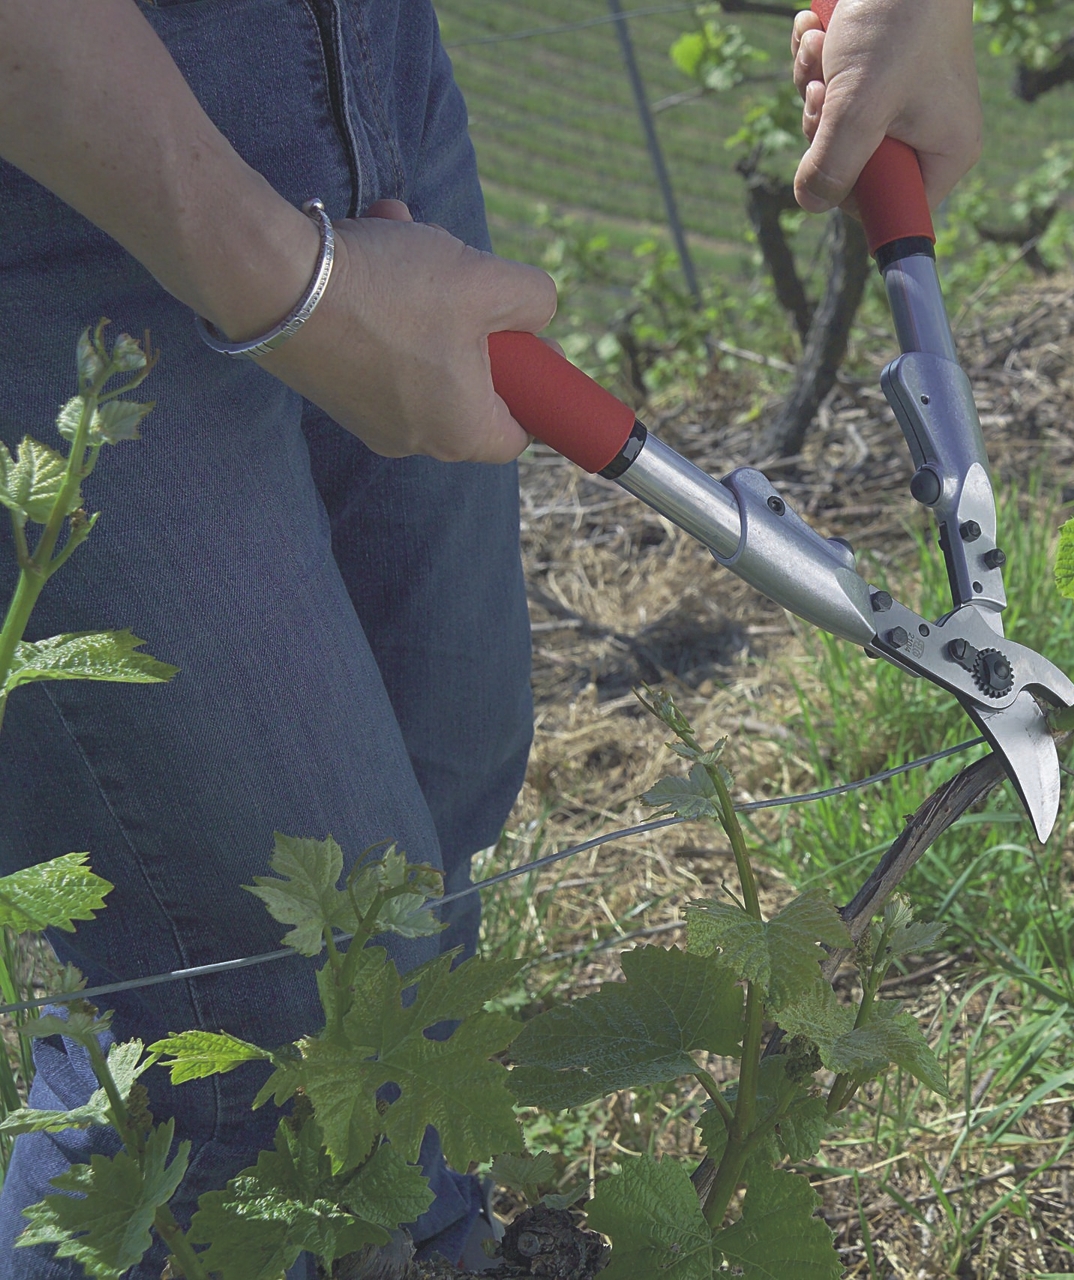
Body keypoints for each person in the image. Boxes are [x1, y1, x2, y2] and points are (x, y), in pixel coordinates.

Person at [0, 0, 981, 1273]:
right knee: (254, 1006)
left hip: (368, 75)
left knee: (440, 780)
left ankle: (419, 1238)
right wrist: (287, 280)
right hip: (55, 160)